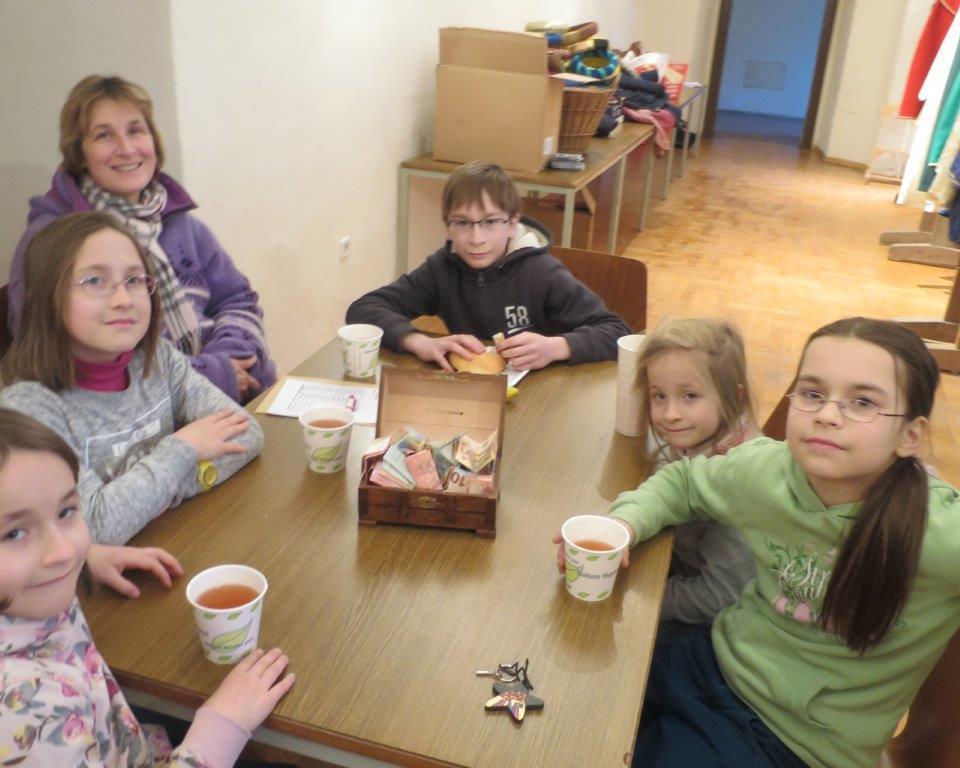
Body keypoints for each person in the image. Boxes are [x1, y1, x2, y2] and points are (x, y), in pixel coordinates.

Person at [584, 317, 959, 768]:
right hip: (715, 661)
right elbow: (684, 482)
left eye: (863, 402)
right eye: (812, 393)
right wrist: (625, 524)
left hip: (793, 741)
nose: (827, 414)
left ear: (910, 436)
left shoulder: (937, 532)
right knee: (580, 688)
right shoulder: (768, 469)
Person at [0, 407, 295, 767]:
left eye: (65, 512)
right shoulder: (24, 712)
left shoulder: (28, 596)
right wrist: (223, 723)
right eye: (14, 533)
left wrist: (89, 556)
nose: (62, 552)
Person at [7, 74, 274, 403]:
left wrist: (232, 358)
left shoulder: (181, 223)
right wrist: (212, 376)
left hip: (236, 390)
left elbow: (237, 298)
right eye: (104, 135)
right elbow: (56, 355)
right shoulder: (53, 241)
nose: (126, 149)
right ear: (79, 153)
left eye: (135, 130)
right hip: (141, 417)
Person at [1, 212, 263, 545]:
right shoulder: (29, 409)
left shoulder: (159, 359)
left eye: (135, 280)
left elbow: (247, 434)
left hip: (177, 543)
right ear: (46, 297)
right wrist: (183, 449)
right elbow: (92, 527)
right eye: (94, 281)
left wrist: (148, 496)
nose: (123, 299)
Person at [345, 160, 631, 372]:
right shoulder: (441, 269)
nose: (476, 239)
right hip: (476, 396)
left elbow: (617, 331)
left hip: (543, 395)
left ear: (513, 224)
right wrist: (420, 342)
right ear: (447, 227)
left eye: (491, 222)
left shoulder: (542, 272)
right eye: (462, 223)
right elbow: (364, 309)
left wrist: (557, 347)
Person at [634, 317, 762, 624]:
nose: (670, 414)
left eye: (689, 396)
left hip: (720, 622)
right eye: (659, 395)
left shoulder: (739, 485)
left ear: (734, 398)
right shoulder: (701, 436)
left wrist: (644, 597)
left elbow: (721, 597)